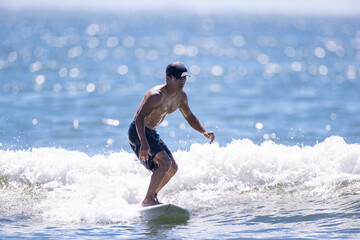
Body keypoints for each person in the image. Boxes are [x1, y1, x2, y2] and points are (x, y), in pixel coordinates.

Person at [128, 61, 215, 207]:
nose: (182, 81)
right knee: (165, 163)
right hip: (139, 132)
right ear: (168, 78)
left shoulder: (181, 96)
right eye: (179, 78)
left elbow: (189, 116)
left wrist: (203, 131)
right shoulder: (155, 96)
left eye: (184, 78)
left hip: (151, 132)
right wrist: (143, 142)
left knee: (172, 167)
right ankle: (148, 200)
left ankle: (152, 196)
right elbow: (139, 117)